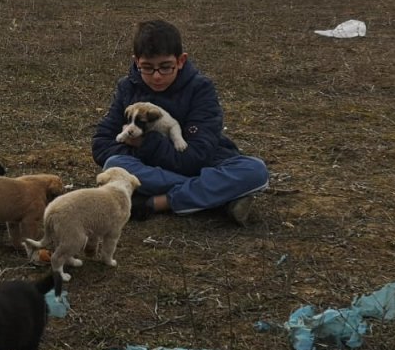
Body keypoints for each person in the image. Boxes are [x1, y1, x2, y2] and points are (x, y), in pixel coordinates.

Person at [91, 19, 269, 225]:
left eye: (166, 67)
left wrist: (144, 144)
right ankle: (221, 198)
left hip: (200, 163)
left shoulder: (200, 88)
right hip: (152, 167)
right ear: (136, 61)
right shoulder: (128, 87)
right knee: (113, 164)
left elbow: (198, 154)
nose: (156, 76)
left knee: (255, 170)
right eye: (147, 68)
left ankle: (157, 202)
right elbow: (102, 143)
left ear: (181, 61)